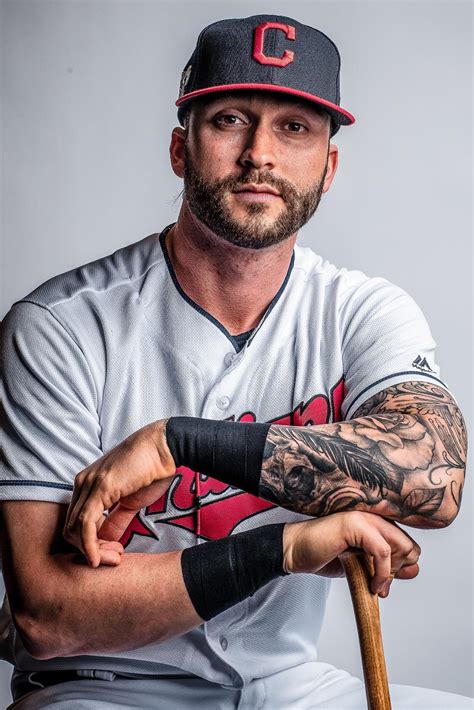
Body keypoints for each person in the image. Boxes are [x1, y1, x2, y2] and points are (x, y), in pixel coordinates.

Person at [0, 13, 469, 710]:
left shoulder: (360, 310)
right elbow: (45, 617)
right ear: (180, 150)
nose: (260, 155)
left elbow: (435, 477)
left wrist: (176, 442)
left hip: (286, 687)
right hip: (104, 688)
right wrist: (285, 546)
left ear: (329, 167)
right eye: (228, 120)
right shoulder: (62, 326)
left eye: (295, 128)